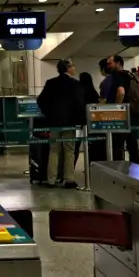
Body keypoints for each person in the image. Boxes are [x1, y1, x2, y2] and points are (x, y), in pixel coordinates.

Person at [37, 59, 85, 189]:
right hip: (69, 123)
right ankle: (68, 179)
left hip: (54, 123)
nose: (74, 68)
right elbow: (80, 104)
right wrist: (80, 121)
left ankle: (51, 180)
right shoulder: (75, 84)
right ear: (68, 68)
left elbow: (40, 100)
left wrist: (49, 114)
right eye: (73, 66)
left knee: (54, 151)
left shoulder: (50, 83)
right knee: (69, 151)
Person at [107, 55, 139, 164]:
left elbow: (121, 92)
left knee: (118, 144)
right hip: (134, 113)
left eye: (110, 63)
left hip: (123, 115)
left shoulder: (118, 75)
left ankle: (119, 169)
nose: (108, 66)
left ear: (118, 63)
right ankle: (136, 169)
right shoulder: (130, 74)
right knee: (132, 144)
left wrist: (116, 108)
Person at [74, 72, 101, 165]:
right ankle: (91, 166)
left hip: (78, 122)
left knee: (75, 147)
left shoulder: (78, 91)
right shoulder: (94, 93)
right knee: (93, 147)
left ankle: (71, 169)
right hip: (91, 123)